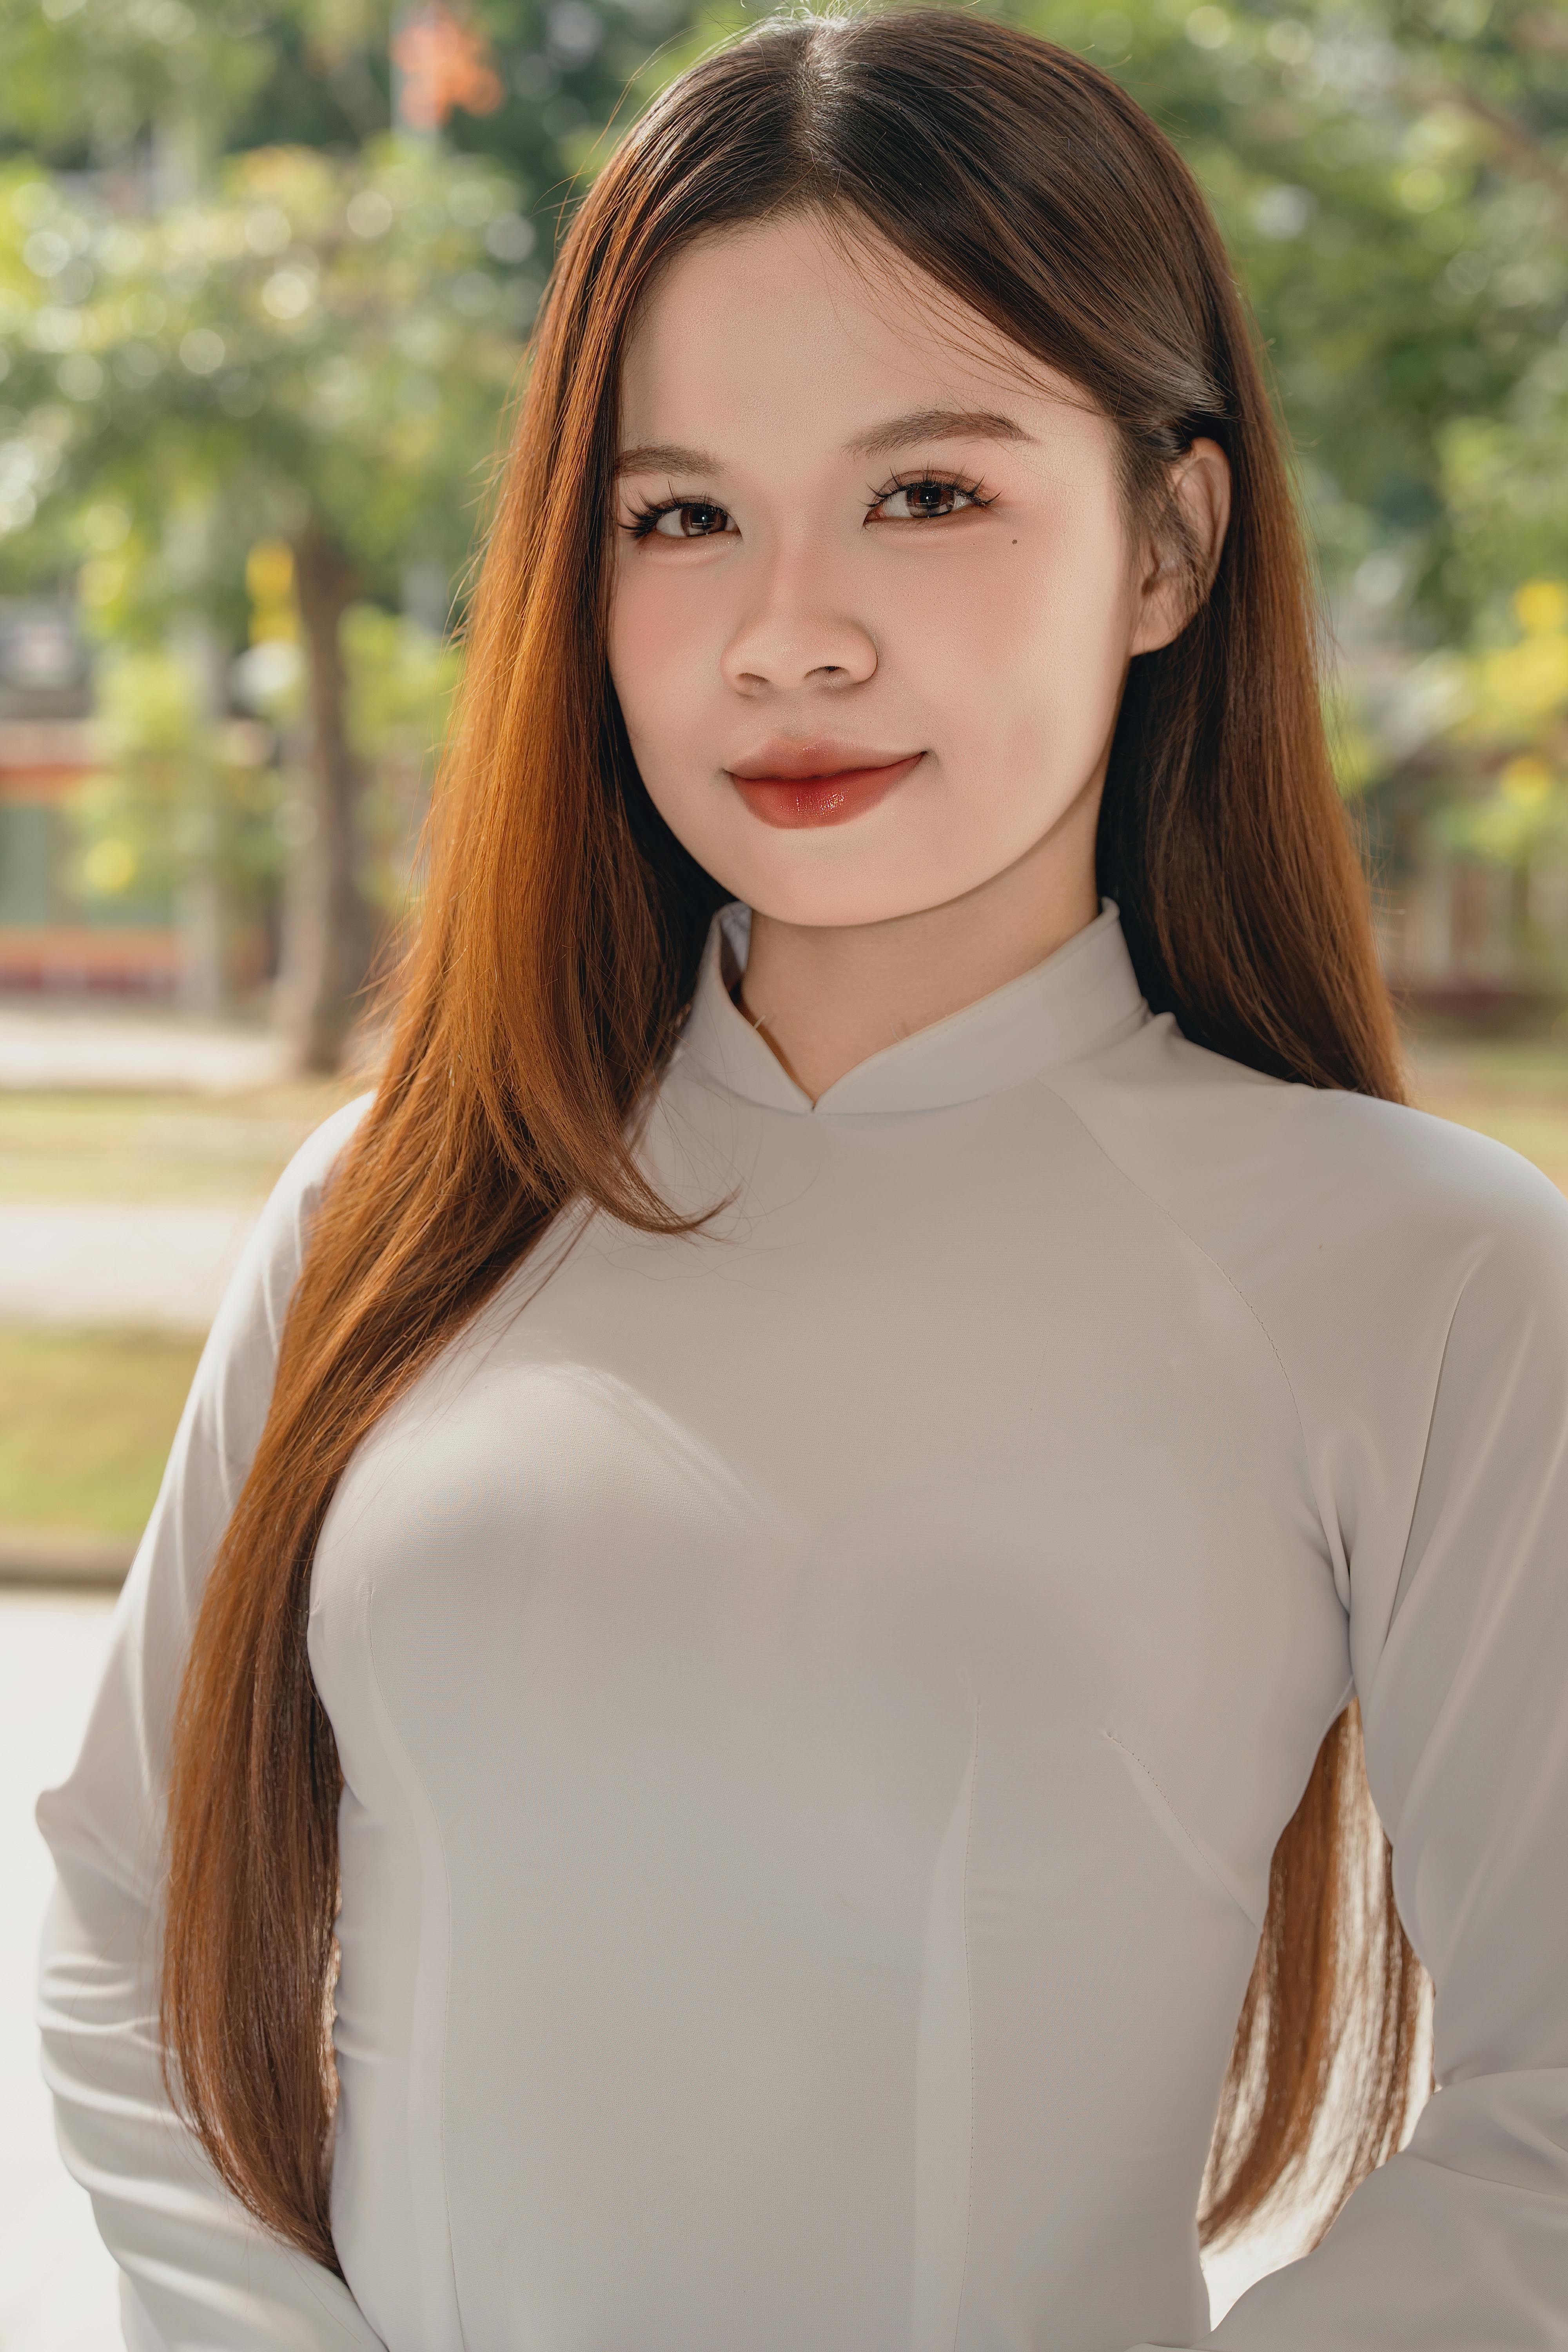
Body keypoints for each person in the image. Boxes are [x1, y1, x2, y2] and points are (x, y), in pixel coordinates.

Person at [37, 11, 1568, 2348]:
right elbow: (120, 1916)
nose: (790, 636)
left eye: (929, 494)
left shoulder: (1420, 1279)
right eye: (683, 516)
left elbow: (1547, 2129)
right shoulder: (393, 1217)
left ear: (1172, 540)